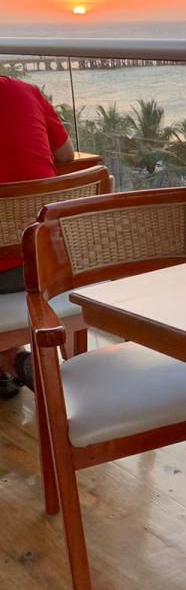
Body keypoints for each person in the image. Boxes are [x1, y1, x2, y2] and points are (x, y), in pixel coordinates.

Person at [0, 75, 75, 398]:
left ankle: (10, 361)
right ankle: (13, 361)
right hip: (48, 263)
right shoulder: (24, 91)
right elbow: (67, 156)